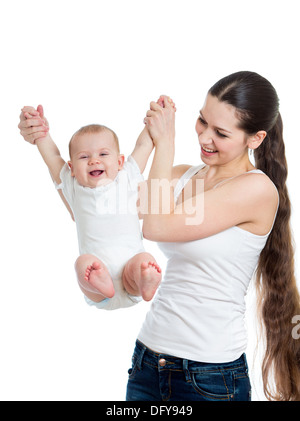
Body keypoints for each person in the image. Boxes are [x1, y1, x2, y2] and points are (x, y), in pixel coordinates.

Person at [126, 72, 300, 401]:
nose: (205, 137)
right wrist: (147, 140)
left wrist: (165, 144)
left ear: (255, 138)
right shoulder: (181, 176)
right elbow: (102, 208)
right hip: (148, 362)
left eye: (220, 132)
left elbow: (156, 226)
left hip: (209, 377)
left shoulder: (257, 189)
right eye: (202, 121)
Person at [18, 104, 171, 310]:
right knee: (83, 263)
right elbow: (53, 157)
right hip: (97, 286)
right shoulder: (73, 185)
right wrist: (40, 131)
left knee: (143, 260)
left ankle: (146, 279)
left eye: (103, 154)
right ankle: (102, 280)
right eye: (84, 156)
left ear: (120, 162)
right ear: (71, 168)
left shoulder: (126, 176)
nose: (93, 160)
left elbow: (144, 145)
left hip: (130, 273)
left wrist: (155, 116)